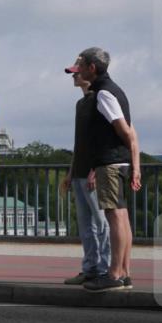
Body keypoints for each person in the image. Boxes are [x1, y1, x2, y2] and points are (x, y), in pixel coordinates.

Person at [74, 47, 141, 292]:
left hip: (110, 163)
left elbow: (126, 131)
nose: (77, 69)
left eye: (80, 64)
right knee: (122, 218)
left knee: (115, 218)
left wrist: (134, 164)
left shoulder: (103, 94)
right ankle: (125, 272)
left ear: (92, 67)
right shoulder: (115, 90)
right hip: (119, 162)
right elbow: (131, 133)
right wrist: (134, 165)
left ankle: (113, 274)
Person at [60, 60, 111, 285]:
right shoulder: (80, 103)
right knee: (85, 225)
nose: (73, 77)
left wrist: (95, 170)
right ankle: (90, 267)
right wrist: (71, 172)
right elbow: (79, 142)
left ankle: (105, 268)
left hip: (93, 171)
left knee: (102, 223)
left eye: (76, 73)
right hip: (79, 170)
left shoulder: (98, 100)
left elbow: (101, 140)